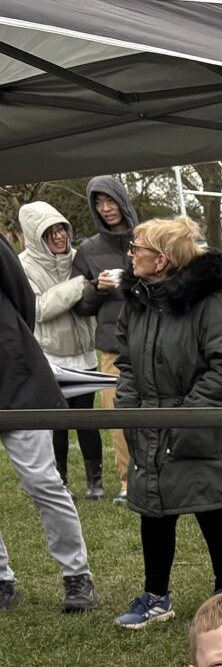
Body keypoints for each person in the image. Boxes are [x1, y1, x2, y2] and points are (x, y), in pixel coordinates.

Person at [111, 216, 222, 630]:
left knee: (212, 510)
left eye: (136, 247)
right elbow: (126, 364)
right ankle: (155, 596)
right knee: (153, 513)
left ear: (160, 260)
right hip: (150, 424)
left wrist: (186, 414)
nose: (130, 254)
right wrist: (129, 411)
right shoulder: (137, 301)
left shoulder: (209, 301)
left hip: (198, 427)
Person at [0, 233, 97, 613]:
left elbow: (23, 299)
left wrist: (9, 343)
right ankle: (2, 579)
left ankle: (78, 577)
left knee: (42, 480)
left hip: (16, 378)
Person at [17, 202, 103, 498]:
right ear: (35, 235)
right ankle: (61, 480)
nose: (59, 237)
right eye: (50, 232)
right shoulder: (23, 265)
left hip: (85, 354)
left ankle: (96, 482)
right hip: (50, 359)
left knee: (86, 421)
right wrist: (79, 285)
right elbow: (39, 308)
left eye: (61, 229)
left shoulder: (79, 258)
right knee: (57, 425)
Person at [69, 175, 136, 503]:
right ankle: (127, 482)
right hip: (112, 347)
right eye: (98, 202)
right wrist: (97, 288)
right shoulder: (88, 250)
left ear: (122, 200)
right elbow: (80, 305)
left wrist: (133, 280)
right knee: (118, 418)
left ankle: (163, 474)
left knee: (162, 411)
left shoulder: (148, 237)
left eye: (109, 200)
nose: (105, 208)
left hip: (155, 340)